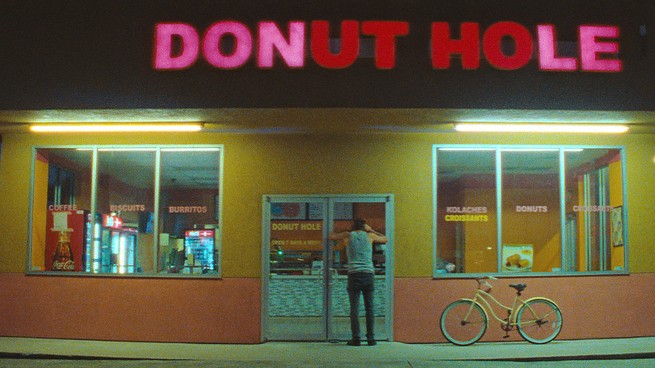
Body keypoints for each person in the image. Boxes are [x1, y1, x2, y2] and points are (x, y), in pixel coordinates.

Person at [329, 218, 388, 346]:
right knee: (370, 308)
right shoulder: (370, 236)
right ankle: (371, 338)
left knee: (354, 308)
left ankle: (356, 338)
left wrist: (343, 229)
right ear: (364, 227)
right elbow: (385, 238)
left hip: (353, 274)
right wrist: (371, 229)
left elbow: (331, 236)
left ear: (353, 226)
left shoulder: (348, 236)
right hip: (368, 274)